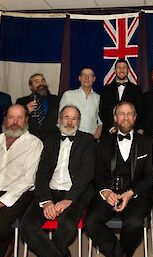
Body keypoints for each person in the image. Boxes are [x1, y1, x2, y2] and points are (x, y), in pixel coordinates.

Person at [21, 105, 96, 257]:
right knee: (27, 228)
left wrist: (69, 199)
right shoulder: (50, 141)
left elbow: (87, 174)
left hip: (76, 193)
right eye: (66, 117)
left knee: (66, 227)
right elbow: (41, 174)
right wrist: (46, 200)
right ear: (60, 120)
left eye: (74, 118)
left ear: (79, 122)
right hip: (50, 191)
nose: (70, 122)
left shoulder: (87, 140)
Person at [84, 101, 153, 257]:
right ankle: (118, 254)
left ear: (135, 117)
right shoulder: (103, 143)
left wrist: (131, 193)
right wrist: (106, 192)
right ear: (115, 118)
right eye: (121, 114)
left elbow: (151, 175)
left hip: (135, 193)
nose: (126, 118)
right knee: (90, 223)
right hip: (109, 192)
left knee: (134, 223)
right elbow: (97, 174)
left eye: (130, 114)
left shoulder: (147, 143)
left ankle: (125, 252)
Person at [0, 104, 43, 257]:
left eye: (20, 118)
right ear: (5, 120)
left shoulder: (34, 143)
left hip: (20, 192)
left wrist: (3, 201)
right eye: (11, 117)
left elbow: (28, 179)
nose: (15, 122)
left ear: (26, 120)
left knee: (1, 225)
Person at [99, 59, 142, 137]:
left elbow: (139, 110)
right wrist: (111, 127)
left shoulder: (136, 89)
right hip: (109, 132)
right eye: (119, 67)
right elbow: (102, 111)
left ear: (128, 70)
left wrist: (132, 127)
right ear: (115, 70)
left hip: (130, 131)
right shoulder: (105, 90)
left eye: (124, 67)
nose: (121, 70)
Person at [59, 67, 102, 140]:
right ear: (79, 78)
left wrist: (97, 134)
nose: (87, 77)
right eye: (84, 75)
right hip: (73, 138)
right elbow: (60, 118)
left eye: (90, 75)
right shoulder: (69, 95)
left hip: (91, 139)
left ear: (94, 79)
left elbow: (101, 121)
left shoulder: (99, 98)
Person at [16, 73, 60, 141]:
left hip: (52, 140)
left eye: (43, 81)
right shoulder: (21, 102)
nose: (41, 84)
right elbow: (16, 122)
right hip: (28, 140)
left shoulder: (57, 100)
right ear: (31, 86)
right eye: (36, 82)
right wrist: (26, 111)